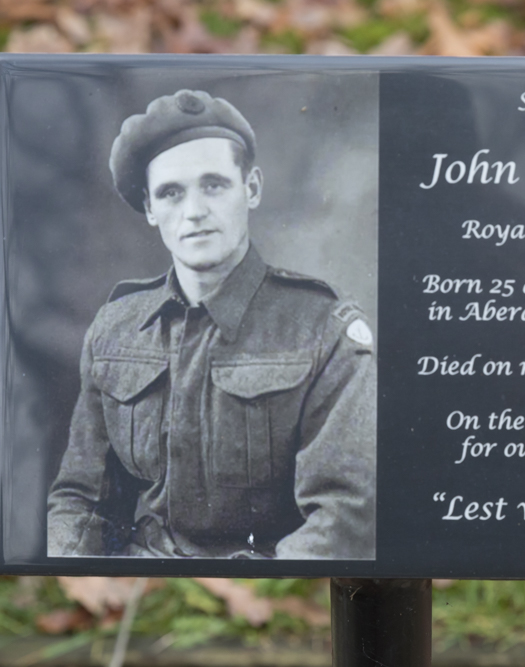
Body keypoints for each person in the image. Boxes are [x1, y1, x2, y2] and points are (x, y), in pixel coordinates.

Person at [47, 89, 376, 559]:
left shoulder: (321, 328)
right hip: (142, 582)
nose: (194, 211)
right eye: (171, 193)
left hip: (270, 589)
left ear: (252, 189)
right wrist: (84, 579)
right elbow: (80, 499)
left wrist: (248, 590)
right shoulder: (116, 328)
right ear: (149, 210)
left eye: (214, 185)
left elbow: (347, 512)